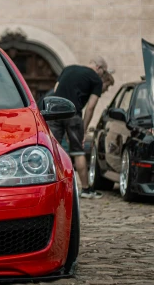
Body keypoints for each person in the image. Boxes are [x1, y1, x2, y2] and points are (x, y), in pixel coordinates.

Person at [47, 57, 109, 199]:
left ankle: (51, 185)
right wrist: (84, 127)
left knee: (52, 150)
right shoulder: (96, 79)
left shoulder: (68, 68)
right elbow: (91, 107)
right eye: (103, 72)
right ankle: (86, 190)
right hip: (73, 114)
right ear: (99, 68)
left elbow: (56, 90)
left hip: (55, 112)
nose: (102, 75)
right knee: (78, 152)